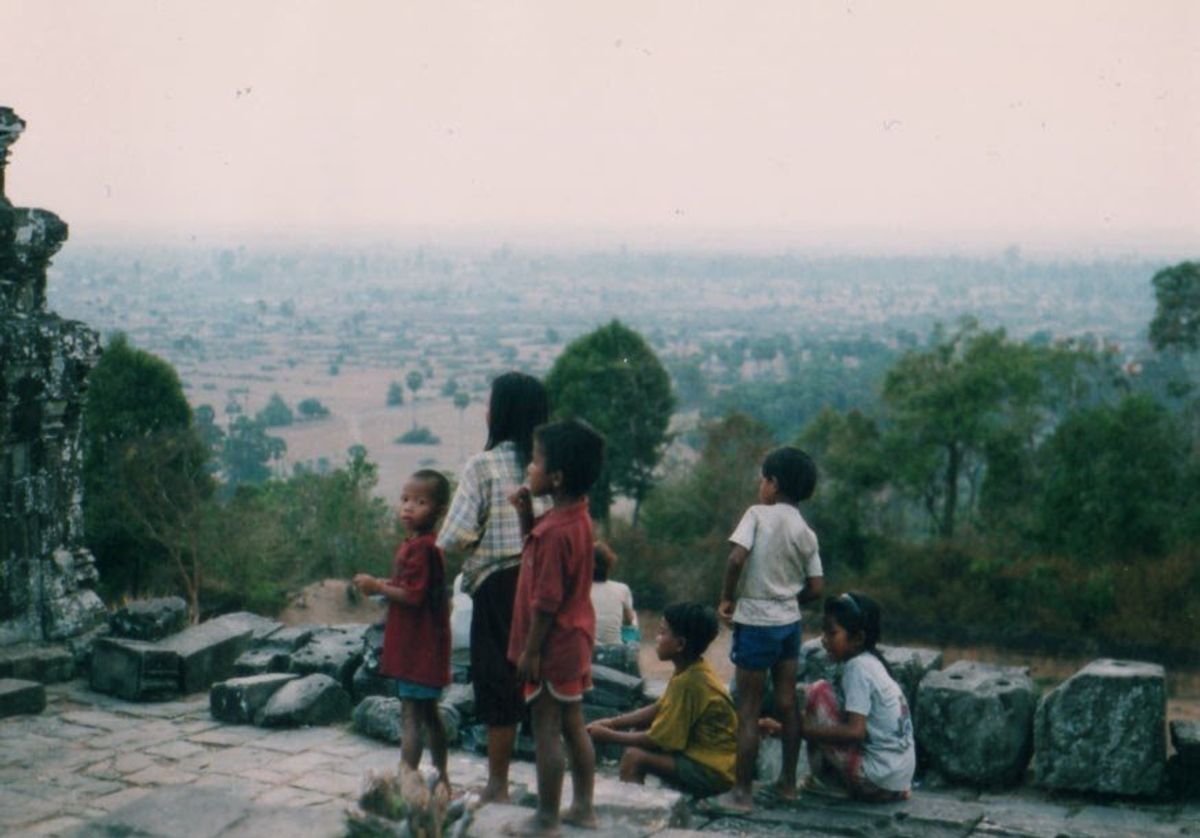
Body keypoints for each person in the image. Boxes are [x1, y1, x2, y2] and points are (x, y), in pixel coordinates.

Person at [437, 372, 549, 804]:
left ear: (500, 412)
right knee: (541, 682)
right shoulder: (549, 466)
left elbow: (455, 535)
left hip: (500, 586)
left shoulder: (483, 466)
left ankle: (498, 785)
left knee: (498, 680)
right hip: (544, 582)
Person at [506, 419, 606, 835]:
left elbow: (545, 601)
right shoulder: (577, 520)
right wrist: (527, 513)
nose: (530, 468)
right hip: (575, 639)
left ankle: (546, 818)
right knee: (573, 723)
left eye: (535, 460)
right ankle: (583, 806)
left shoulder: (552, 534)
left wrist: (530, 652)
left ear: (557, 477)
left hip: (549, 645)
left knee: (545, 728)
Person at [714, 446, 824, 812]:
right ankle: (788, 784)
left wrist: (727, 598)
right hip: (789, 624)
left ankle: (742, 793)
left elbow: (735, 558)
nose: (761, 486)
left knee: (747, 709)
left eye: (763, 479)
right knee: (787, 702)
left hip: (757, 621)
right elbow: (817, 587)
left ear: (773, 484)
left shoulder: (758, 515)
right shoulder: (806, 531)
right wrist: (789, 599)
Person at [353, 469, 453, 792]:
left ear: (438, 510)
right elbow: (408, 586)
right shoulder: (421, 545)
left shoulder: (423, 549)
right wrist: (380, 584)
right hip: (426, 645)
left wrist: (376, 586)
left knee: (411, 714)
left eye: (420, 502)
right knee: (430, 714)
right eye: (406, 499)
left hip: (417, 647)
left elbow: (413, 595)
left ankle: (406, 779)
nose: (409, 507)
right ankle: (441, 778)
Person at [586, 602, 736, 798]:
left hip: (711, 770)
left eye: (663, 633)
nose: (657, 638)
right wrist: (614, 723)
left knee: (634, 757)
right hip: (707, 759)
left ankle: (636, 812)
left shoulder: (691, 682)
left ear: (680, 644)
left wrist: (608, 736)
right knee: (638, 733)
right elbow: (659, 707)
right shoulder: (692, 669)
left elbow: (658, 739)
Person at [800, 592, 914, 801]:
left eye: (832, 633)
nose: (824, 641)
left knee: (818, 692)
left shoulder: (857, 668)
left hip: (875, 782)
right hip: (897, 782)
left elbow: (855, 732)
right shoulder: (873, 663)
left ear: (858, 638)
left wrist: (800, 731)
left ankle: (824, 781)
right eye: (823, 633)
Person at [590, 542, 636, 646]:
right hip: (614, 650)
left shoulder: (579, 590)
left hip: (586, 648)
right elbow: (629, 621)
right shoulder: (622, 589)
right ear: (610, 564)